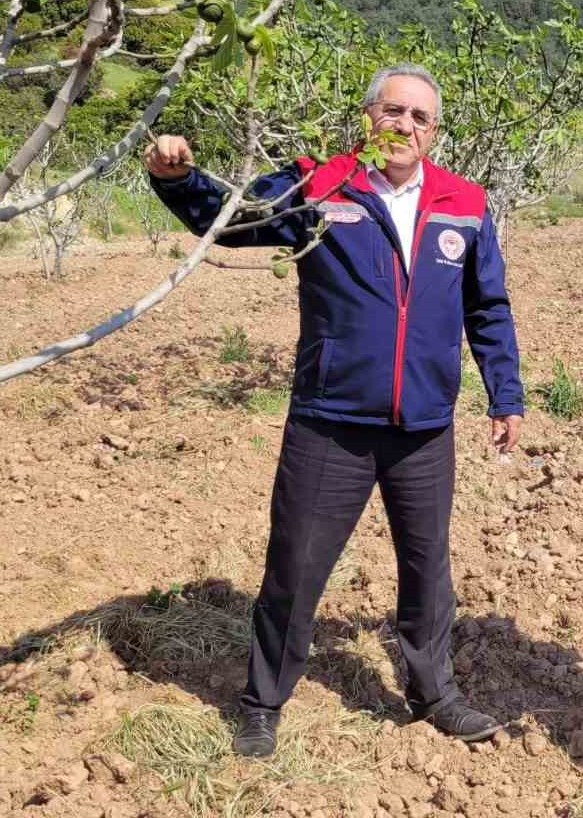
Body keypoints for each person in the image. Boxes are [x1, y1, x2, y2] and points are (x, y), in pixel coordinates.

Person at [146, 64, 525, 756]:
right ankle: (262, 702)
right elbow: (229, 223)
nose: (404, 125)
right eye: (393, 110)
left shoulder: (465, 201)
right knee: (296, 565)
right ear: (367, 115)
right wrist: (178, 180)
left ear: (434, 131)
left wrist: (506, 392)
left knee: (427, 569)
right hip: (331, 421)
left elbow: (486, 306)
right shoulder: (319, 183)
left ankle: (433, 691)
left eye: (420, 117)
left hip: (425, 428)